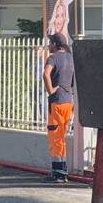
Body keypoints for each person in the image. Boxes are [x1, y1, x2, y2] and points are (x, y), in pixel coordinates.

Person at [43, 32, 75, 182]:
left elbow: (46, 74)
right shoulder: (70, 58)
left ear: (55, 44)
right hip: (68, 102)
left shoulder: (53, 58)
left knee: (55, 137)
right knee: (61, 136)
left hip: (56, 102)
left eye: (50, 43)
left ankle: (57, 173)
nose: (48, 46)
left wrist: (51, 90)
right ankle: (62, 171)